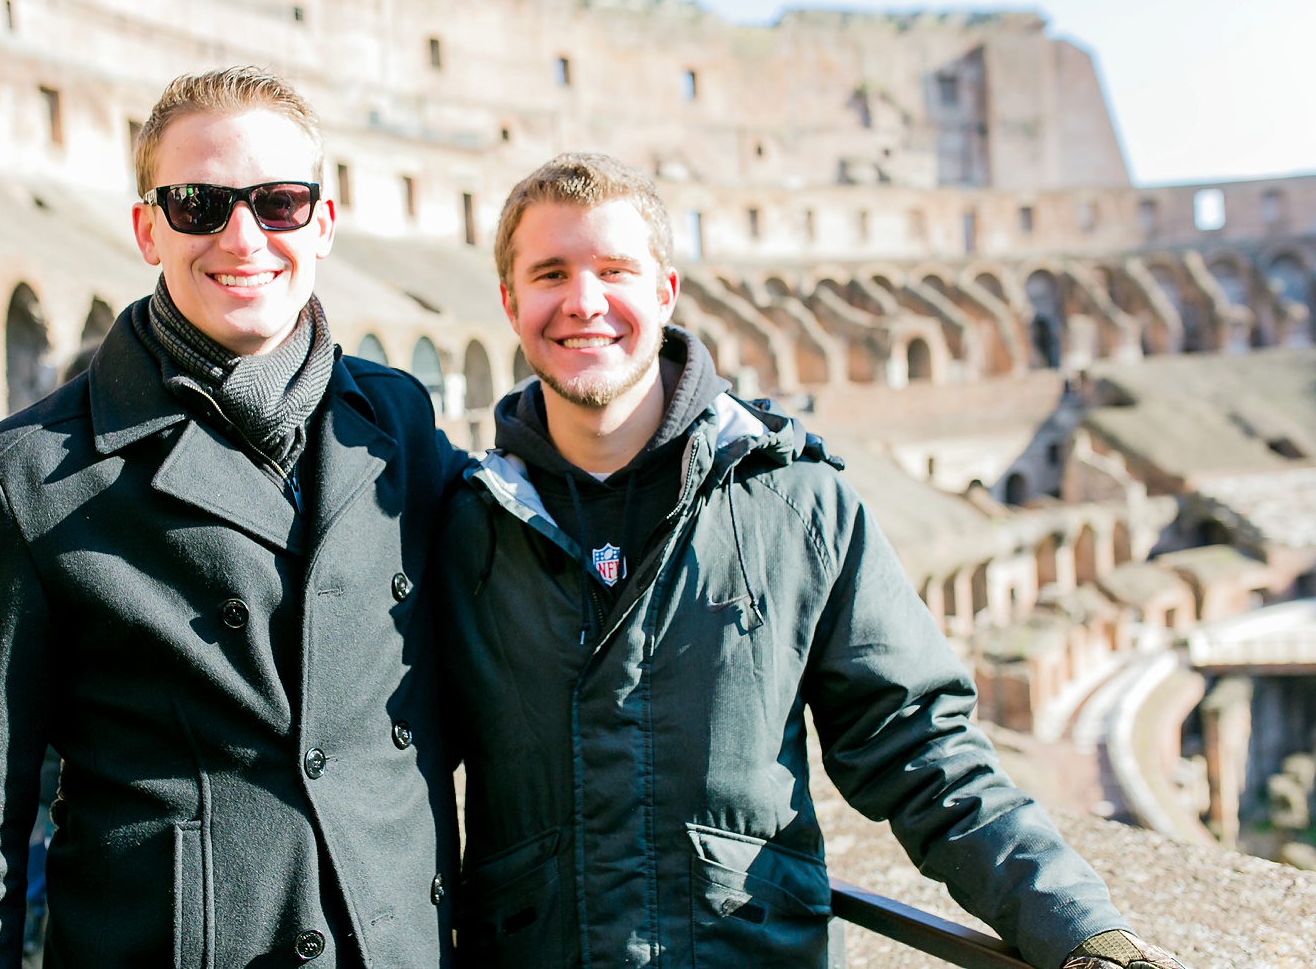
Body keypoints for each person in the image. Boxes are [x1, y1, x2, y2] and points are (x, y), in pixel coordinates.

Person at [435, 153, 1189, 969]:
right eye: (551, 273)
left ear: (665, 291)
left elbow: (921, 747)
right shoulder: (465, 523)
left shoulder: (797, 506)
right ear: (510, 302)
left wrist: (1078, 927)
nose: (584, 301)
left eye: (614, 269)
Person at [0, 67, 459, 967]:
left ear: (323, 222)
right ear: (147, 226)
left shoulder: (401, 426)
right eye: (198, 203)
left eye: (278, 201)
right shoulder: (28, 474)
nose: (243, 236)